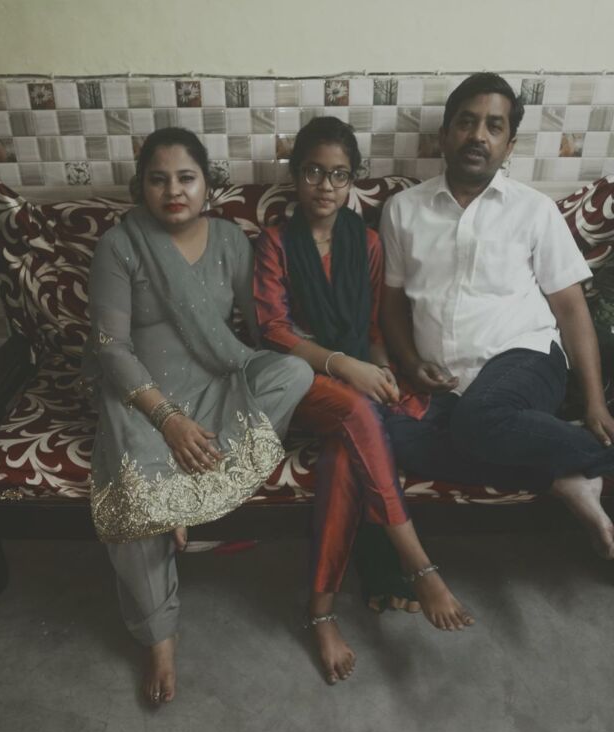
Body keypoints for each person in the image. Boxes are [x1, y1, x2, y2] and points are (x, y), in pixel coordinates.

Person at [83, 127, 313, 705]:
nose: (173, 191)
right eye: (158, 180)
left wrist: (326, 352)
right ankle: (160, 635)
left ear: (207, 184)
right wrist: (167, 419)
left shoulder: (232, 240)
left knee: (293, 374)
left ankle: (184, 499)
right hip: (141, 396)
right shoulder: (120, 245)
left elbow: (261, 330)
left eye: (186, 178)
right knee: (136, 496)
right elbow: (111, 348)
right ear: (140, 187)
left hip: (215, 379)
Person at [253, 117, 474, 686]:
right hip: (298, 383)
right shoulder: (275, 243)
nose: (325, 186)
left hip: (353, 383)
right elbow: (273, 330)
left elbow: (375, 329)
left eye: (339, 175)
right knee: (356, 410)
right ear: (295, 175)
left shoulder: (368, 243)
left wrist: (380, 370)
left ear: (353, 180)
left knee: (346, 454)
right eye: (313, 172)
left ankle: (320, 612)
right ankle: (417, 563)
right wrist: (345, 367)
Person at [379, 73, 614, 559]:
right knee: (392, 435)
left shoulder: (534, 210)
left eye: (493, 126)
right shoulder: (403, 211)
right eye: (467, 122)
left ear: (509, 146)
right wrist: (410, 362)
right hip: (445, 383)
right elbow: (393, 304)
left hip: (526, 358)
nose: (478, 136)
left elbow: (570, 308)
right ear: (445, 135)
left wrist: (594, 403)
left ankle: (596, 458)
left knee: (479, 419)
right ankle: (561, 474)